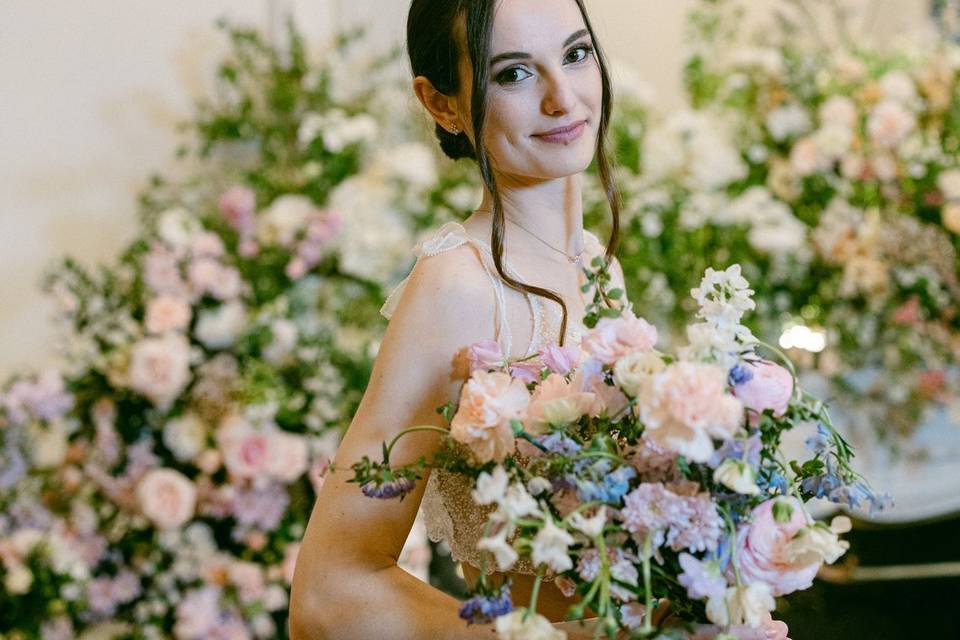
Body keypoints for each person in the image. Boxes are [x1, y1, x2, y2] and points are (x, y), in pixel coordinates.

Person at [289, 1, 788, 638]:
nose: (563, 99)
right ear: (442, 104)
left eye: (576, 55)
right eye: (514, 74)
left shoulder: (592, 264)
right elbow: (330, 593)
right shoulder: (458, 288)